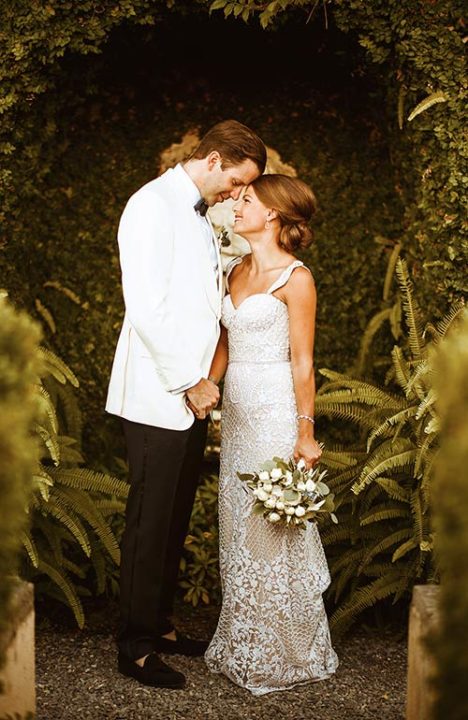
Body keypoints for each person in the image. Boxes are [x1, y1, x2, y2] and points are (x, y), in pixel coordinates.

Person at [106, 120, 266, 689]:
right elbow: (146, 308)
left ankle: (160, 625)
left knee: (173, 518)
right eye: (237, 181)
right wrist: (189, 382)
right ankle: (135, 646)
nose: (236, 194)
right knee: (149, 520)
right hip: (161, 392)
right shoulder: (151, 205)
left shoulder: (198, 211)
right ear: (215, 159)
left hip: (193, 394)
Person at [204, 174, 339, 695]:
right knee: (238, 524)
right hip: (236, 417)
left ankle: (283, 652)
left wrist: (305, 431)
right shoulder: (234, 269)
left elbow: (304, 362)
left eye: (247, 201)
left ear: (274, 215)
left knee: (270, 528)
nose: (236, 207)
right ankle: (243, 641)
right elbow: (225, 343)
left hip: (275, 414)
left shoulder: (296, 279)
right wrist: (206, 389)